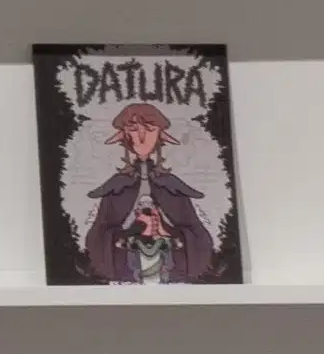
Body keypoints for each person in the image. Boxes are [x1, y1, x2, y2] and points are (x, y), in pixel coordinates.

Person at [74, 96, 221, 284]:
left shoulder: (172, 187)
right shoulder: (117, 188)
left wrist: (166, 230)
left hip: (171, 271)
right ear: (123, 135)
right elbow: (98, 239)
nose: (141, 137)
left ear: (160, 134)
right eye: (133, 129)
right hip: (126, 271)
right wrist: (131, 232)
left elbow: (199, 238)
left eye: (150, 129)